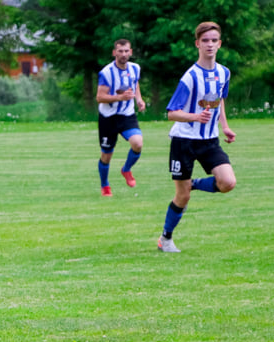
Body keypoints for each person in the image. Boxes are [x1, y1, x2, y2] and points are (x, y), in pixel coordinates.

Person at [158, 21, 237, 253]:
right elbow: (172, 112)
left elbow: (220, 100)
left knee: (228, 182)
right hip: (184, 141)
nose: (210, 44)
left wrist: (225, 126)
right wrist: (194, 116)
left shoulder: (224, 72)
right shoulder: (190, 77)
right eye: (205, 41)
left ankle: (193, 184)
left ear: (220, 44)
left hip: (210, 140)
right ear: (197, 44)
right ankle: (166, 238)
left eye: (214, 40)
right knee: (182, 197)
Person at [95, 39, 146, 197]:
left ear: (130, 52)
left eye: (126, 51)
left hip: (127, 115)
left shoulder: (135, 68)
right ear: (114, 52)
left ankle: (126, 169)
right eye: (120, 51)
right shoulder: (107, 72)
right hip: (108, 118)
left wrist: (139, 99)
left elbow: (135, 84)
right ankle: (105, 185)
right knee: (106, 155)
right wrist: (120, 98)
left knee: (137, 143)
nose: (123, 54)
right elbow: (100, 97)